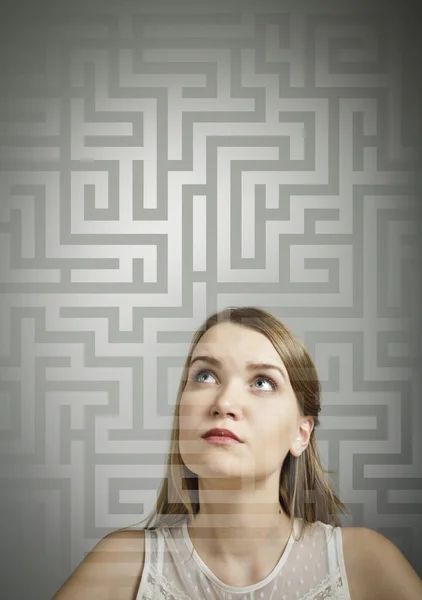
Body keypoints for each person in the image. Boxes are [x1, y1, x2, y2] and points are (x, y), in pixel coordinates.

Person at [53, 307, 422, 599]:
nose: (225, 402)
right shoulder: (121, 566)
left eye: (262, 382)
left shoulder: (365, 564)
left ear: (301, 432)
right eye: (205, 376)